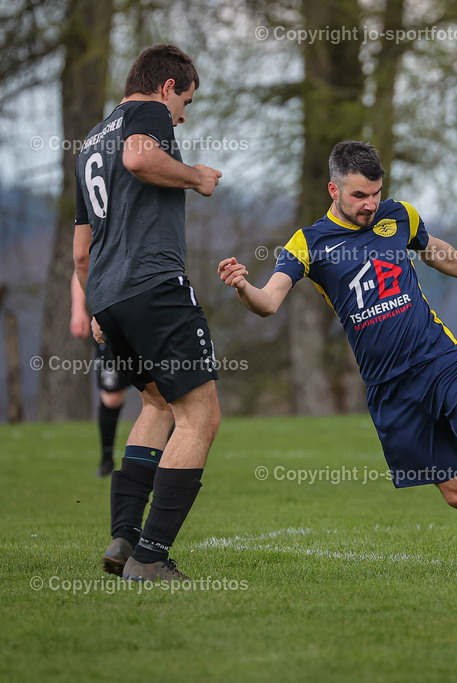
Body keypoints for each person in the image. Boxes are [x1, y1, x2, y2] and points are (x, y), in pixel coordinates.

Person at [218, 141, 457, 566]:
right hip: (390, 389)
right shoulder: (308, 243)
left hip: (442, 361)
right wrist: (244, 287)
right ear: (334, 190)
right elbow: (268, 302)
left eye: (376, 193)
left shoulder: (398, 215)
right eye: (359, 195)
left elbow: (434, 249)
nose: (370, 204)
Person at [74, 44, 223, 582]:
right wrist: (195, 176)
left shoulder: (91, 140)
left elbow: (81, 252)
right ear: (166, 88)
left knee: (157, 404)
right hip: (154, 287)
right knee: (200, 416)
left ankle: (125, 537)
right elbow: (139, 157)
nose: (181, 117)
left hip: (110, 297)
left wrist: (95, 304)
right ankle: (152, 557)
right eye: (185, 102)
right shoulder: (150, 112)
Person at [70, 273, 130, 477]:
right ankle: (107, 457)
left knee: (161, 397)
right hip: (110, 318)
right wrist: (78, 309)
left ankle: (164, 461)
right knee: (112, 398)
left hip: (147, 315)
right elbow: (81, 264)